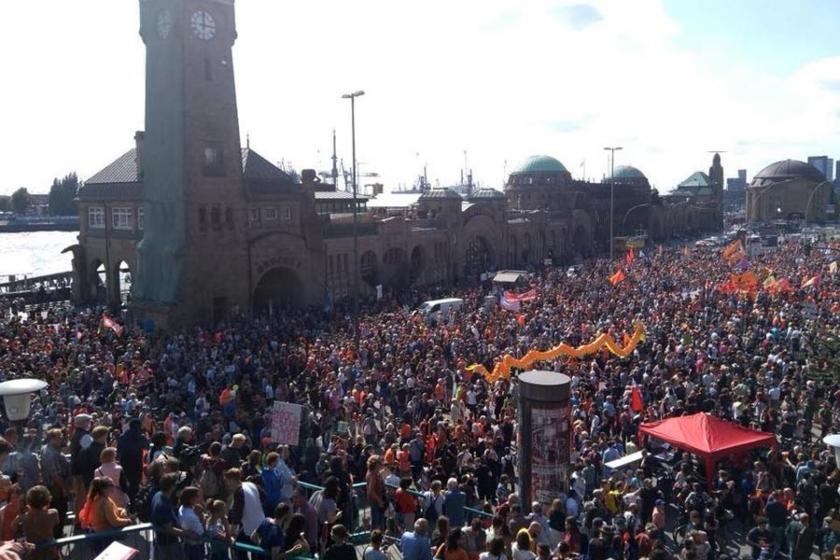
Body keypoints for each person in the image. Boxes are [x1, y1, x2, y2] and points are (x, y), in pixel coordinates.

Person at [79, 477, 133, 555]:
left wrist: (122, 510)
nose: (113, 486)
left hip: (97, 535)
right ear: (104, 488)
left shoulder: (96, 499)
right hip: (105, 537)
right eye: (111, 485)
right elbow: (114, 521)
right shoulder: (105, 502)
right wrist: (128, 521)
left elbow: (113, 510)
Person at [225, 467, 266, 559]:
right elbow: (264, 497)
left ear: (232, 480)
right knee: (254, 549)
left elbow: (238, 514)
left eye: (228, 481)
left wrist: (232, 531)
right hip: (261, 521)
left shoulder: (238, 491)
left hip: (251, 526)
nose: (227, 484)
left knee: (240, 546)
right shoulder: (250, 484)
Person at [16, 485, 60, 560]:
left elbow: (13, 526)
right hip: (50, 552)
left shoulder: (23, 517)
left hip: (33, 554)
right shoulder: (53, 513)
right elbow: (57, 522)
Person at [151, 472, 185, 560]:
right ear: (172, 486)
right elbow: (169, 528)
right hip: (168, 543)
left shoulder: (158, 495)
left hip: (163, 541)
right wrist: (186, 533)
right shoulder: (163, 504)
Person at [117, 418, 149, 502]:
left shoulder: (122, 436)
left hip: (124, 462)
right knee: (135, 484)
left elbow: (119, 450)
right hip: (137, 463)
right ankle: (133, 502)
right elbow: (146, 448)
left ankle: (125, 500)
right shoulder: (141, 437)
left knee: (125, 482)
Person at [178, 486, 206, 560]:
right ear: (191, 499)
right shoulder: (190, 516)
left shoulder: (182, 508)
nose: (200, 498)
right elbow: (201, 532)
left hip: (188, 545)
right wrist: (202, 516)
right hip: (196, 548)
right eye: (197, 496)